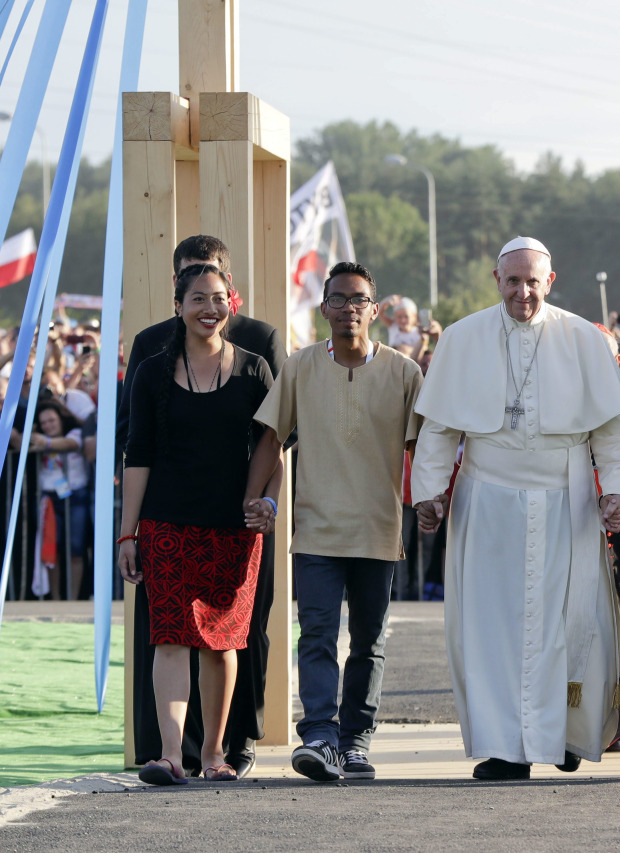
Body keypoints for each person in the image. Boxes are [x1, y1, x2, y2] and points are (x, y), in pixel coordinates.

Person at [411, 236, 620, 781]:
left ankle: (562, 734)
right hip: (487, 501)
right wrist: (429, 494)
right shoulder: (463, 338)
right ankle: (506, 748)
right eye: (512, 281)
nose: (522, 292)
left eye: (532, 281)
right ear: (497, 280)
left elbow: (612, 432)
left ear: (549, 282)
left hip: (568, 500)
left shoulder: (584, 338)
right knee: (492, 629)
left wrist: (617, 491)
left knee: (570, 622)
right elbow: (438, 430)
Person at [245, 261, 423, 782]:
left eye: (358, 299)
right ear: (324, 308)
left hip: (378, 529)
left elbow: (422, 448)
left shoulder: (404, 372)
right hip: (316, 531)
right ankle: (320, 736)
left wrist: (432, 500)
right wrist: (253, 500)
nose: (349, 308)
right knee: (317, 635)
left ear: (375, 309)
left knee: (369, 642)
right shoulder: (300, 366)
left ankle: (355, 741)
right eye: (339, 299)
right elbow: (271, 437)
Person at [120, 235, 286, 779]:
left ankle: (215, 754)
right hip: (165, 524)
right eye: (197, 299)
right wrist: (127, 534)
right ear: (178, 305)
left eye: (218, 299)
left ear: (230, 301)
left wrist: (266, 502)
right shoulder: (151, 370)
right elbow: (138, 454)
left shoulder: (255, 368)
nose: (209, 309)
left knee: (221, 643)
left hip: (232, 528)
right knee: (169, 638)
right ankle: (171, 754)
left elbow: (273, 445)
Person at [31, 399, 91, 600]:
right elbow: (19, 442)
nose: (48, 425)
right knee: (52, 549)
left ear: (61, 419)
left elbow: (71, 444)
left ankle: (73, 600)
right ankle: (55, 599)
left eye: (52, 420)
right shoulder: (37, 438)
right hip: (50, 498)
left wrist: (45, 443)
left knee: (76, 549)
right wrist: (16, 436)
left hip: (76, 496)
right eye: (44, 422)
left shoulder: (74, 433)